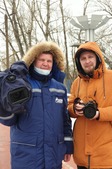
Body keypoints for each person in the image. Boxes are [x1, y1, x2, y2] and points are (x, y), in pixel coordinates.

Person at [0, 41, 73, 169]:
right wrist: (5, 108)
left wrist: (68, 145)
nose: (45, 64)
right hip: (27, 155)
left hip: (53, 153)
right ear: (33, 61)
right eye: (41, 60)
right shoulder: (22, 85)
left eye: (49, 61)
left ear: (54, 63)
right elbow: (9, 120)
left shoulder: (60, 88)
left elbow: (65, 120)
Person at [67, 41, 112, 169]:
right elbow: (69, 107)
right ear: (79, 62)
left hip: (106, 154)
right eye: (83, 58)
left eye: (90, 57)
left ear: (98, 58)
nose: (87, 61)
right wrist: (75, 109)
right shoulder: (77, 83)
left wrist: (99, 113)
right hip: (81, 154)